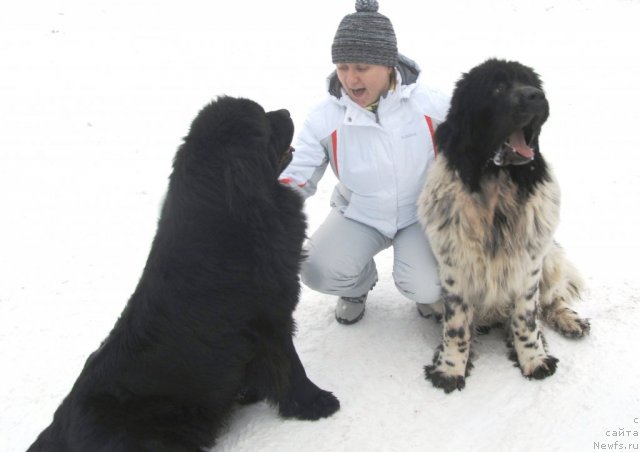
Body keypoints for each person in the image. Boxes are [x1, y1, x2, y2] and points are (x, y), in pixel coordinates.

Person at [279, 0, 449, 324]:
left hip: (420, 215)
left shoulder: (432, 105)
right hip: (361, 214)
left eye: (361, 67)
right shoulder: (325, 117)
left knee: (429, 285)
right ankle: (357, 283)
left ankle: (426, 292)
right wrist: (266, 206)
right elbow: (296, 176)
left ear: (387, 64)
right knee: (315, 269)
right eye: (342, 67)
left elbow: (473, 148)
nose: (350, 79)